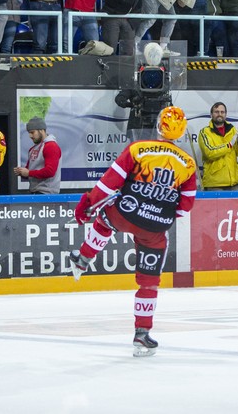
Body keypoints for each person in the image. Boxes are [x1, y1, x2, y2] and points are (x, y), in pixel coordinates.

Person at [69, 106, 197, 357]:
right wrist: (161, 216)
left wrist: (87, 205)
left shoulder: (138, 149)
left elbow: (109, 184)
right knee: (149, 282)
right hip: (155, 227)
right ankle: (142, 333)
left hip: (124, 214)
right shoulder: (189, 164)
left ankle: (83, 259)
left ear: (159, 126)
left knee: (105, 222)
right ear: (181, 132)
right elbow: (186, 206)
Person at [198, 102, 238, 191]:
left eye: (222, 112)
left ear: (225, 114)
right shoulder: (205, 132)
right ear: (211, 114)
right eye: (216, 112)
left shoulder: (232, 130)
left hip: (233, 183)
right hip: (215, 184)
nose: (219, 114)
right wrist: (229, 145)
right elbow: (210, 153)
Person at [13, 117, 61, 194]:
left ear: (41, 130)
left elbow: (50, 171)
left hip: (47, 194)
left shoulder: (51, 146)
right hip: (35, 192)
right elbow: (30, 171)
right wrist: (22, 172)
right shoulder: (32, 149)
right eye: (29, 133)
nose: (30, 136)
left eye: (32, 132)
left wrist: (28, 173)